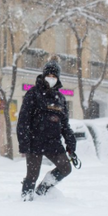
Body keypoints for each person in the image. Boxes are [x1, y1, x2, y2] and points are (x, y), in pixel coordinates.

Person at [16, 55, 76, 201]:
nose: (51, 77)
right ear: (43, 76)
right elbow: (23, 121)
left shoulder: (60, 99)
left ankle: (42, 190)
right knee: (32, 174)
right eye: (48, 75)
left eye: (54, 75)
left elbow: (64, 125)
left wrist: (70, 143)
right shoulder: (33, 94)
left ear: (58, 78)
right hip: (34, 141)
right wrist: (24, 143)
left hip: (53, 143)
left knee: (65, 168)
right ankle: (25, 199)